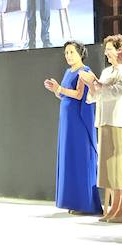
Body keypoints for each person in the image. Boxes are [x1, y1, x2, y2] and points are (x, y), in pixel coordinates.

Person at [81, 35, 122, 223]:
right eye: (106, 49)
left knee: (121, 167)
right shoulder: (107, 71)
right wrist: (92, 85)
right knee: (110, 168)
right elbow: (96, 96)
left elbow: (117, 92)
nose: (106, 52)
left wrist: (97, 85)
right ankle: (114, 207)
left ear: (120, 50)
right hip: (105, 121)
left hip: (121, 122)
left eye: (110, 49)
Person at [43, 41, 102, 215]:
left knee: (80, 157)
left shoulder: (84, 72)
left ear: (80, 53)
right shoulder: (68, 71)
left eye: (71, 52)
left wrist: (61, 89)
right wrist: (57, 90)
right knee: (69, 157)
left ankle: (85, 203)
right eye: (66, 52)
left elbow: (78, 94)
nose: (68, 55)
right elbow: (66, 96)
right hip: (68, 120)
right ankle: (73, 201)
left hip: (79, 121)